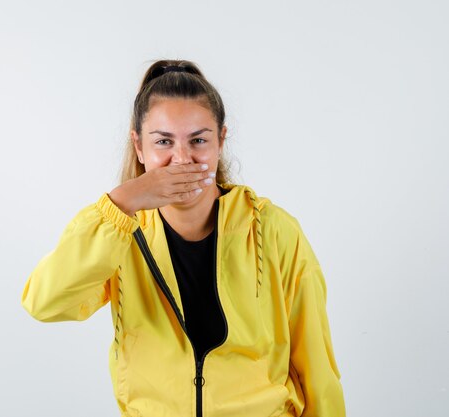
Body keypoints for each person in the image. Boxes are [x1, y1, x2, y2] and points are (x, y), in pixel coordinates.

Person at [21, 59, 346, 417]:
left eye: (198, 140)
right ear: (139, 147)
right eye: (163, 142)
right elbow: (45, 303)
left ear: (220, 141)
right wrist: (121, 202)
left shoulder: (274, 230)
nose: (182, 160)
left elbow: (317, 367)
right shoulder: (119, 233)